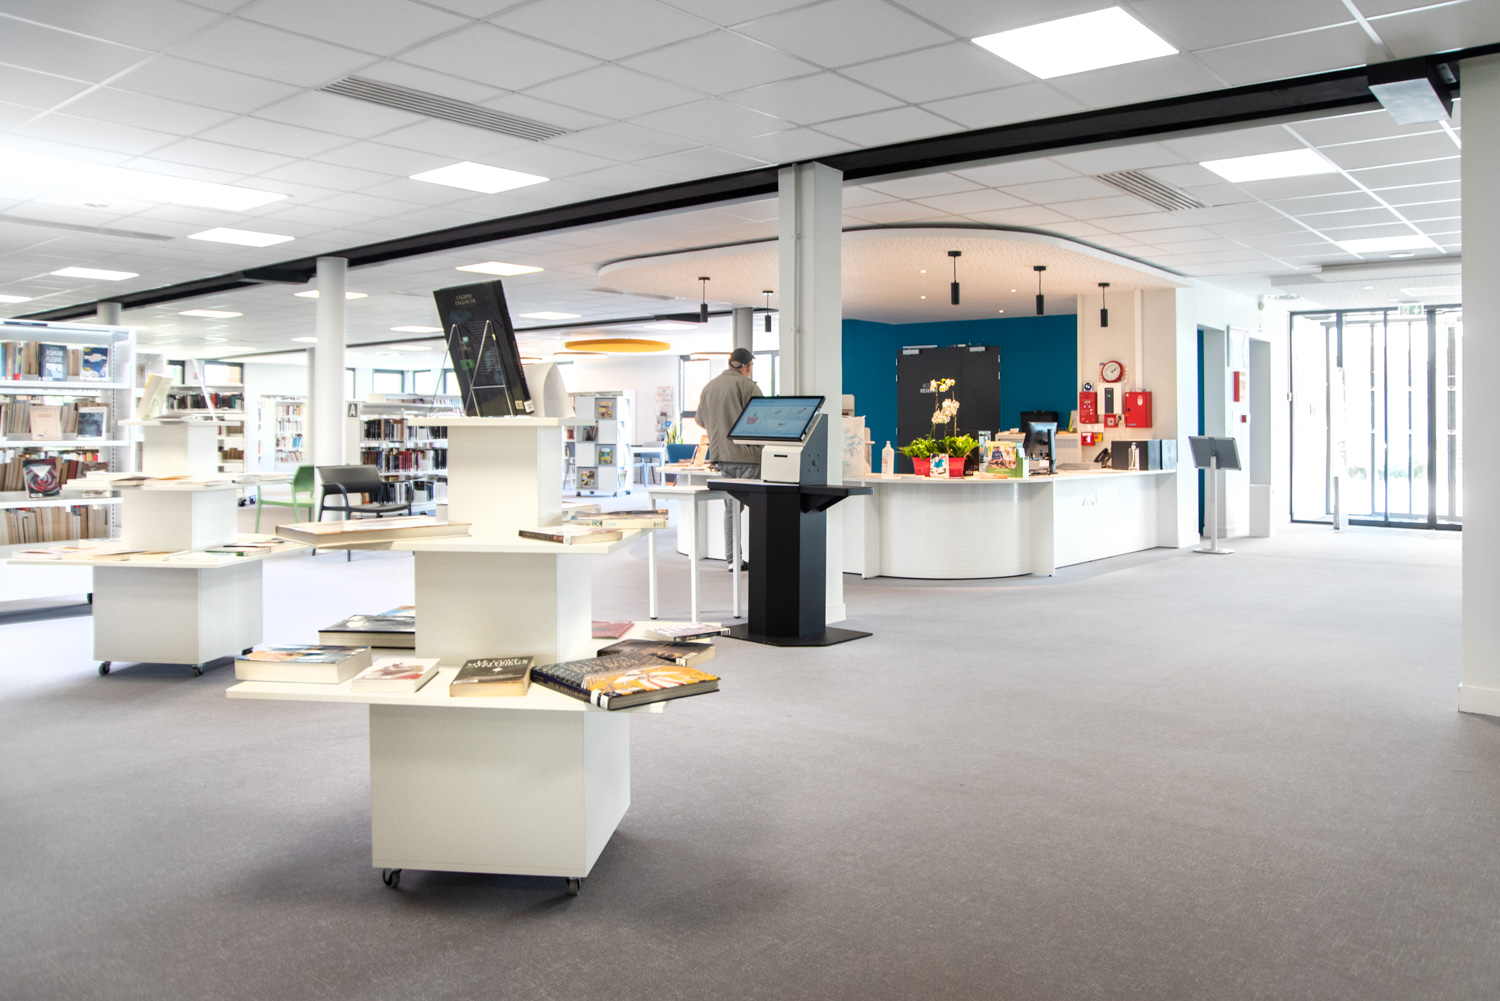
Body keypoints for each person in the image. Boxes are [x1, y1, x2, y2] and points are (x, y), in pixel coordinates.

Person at [696, 347, 761, 570]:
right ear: (747, 366)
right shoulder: (747, 386)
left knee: (732, 510)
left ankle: (734, 560)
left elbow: (700, 420)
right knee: (760, 508)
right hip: (749, 457)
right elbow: (762, 418)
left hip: (721, 457)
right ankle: (763, 557)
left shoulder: (710, 387)